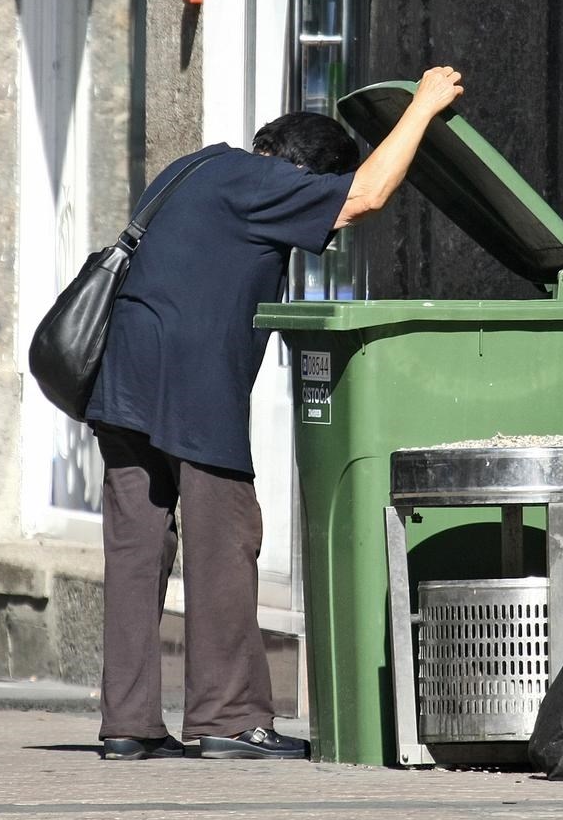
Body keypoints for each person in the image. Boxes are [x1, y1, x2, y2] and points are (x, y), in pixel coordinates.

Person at [84, 66, 465, 760]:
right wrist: (423, 107)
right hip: (193, 389)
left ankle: (128, 724)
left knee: (135, 552)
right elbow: (366, 195)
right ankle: (229, 719)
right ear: (299, 173)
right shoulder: (263, 183)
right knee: (225, 542)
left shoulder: (195, 170)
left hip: (124, 379)